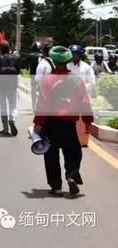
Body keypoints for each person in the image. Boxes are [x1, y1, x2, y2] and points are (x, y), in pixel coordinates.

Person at [34, 46, 93, 196]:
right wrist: (87, 121)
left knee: (51, 154)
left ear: (53, 61)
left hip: (51, 123)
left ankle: (56, 186)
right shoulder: (76, 79)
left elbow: (43, 103)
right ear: (67, 61)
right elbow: (85, 102)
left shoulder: (47, 79)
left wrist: (38, 124)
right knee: (73, 150)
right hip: (69, 124)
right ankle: (71, 174)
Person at [0, 41, 20, 136]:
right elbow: (18, 72)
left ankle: (5, 129)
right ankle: (12, 119)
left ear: (0, 49)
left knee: (3, 107)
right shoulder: (16, 58)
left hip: (0, 86)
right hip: (12, 86)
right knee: (13, 106)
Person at [27, 42, 42, 110]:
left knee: (33, 91)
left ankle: (34, 106)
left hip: (33, 76)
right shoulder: (42, 56)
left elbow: (26, 64)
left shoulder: (30, 55)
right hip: (41, 76)